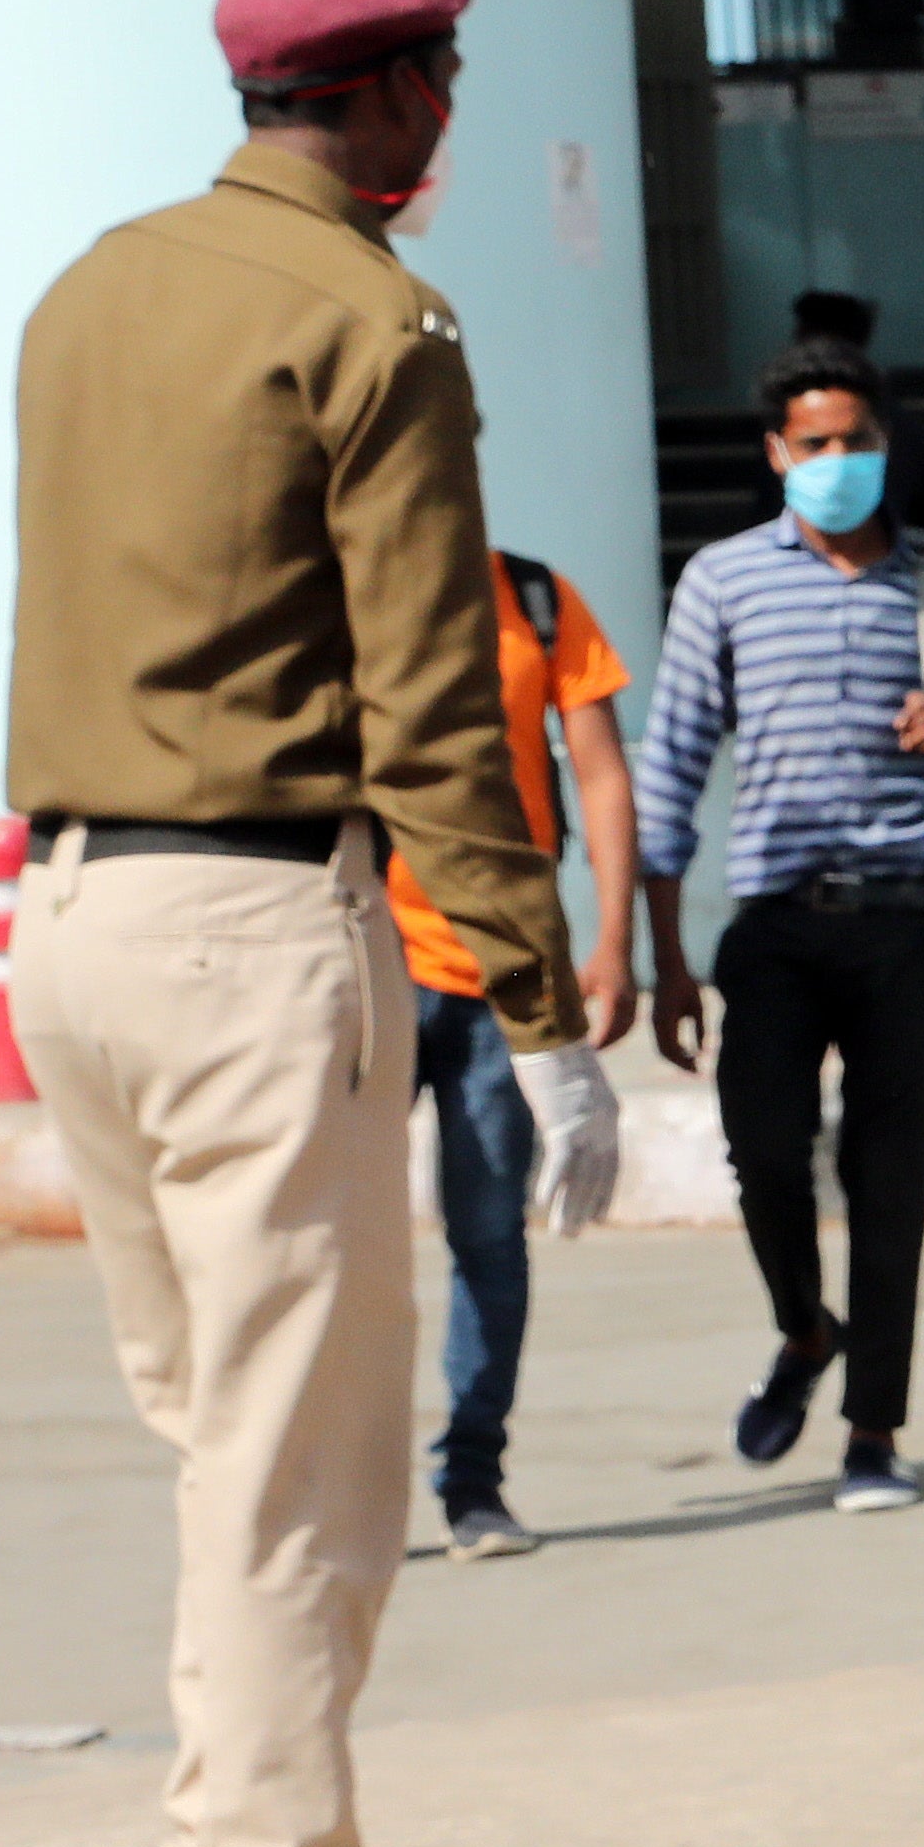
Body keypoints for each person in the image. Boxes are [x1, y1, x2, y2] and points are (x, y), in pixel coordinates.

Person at [12, 0, 584, 1847]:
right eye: (440, 80)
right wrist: (534, 989)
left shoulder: (97, 283)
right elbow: (435, 697)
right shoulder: (374, 316)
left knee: (217, 1440)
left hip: (74, 914)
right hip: (257, 930)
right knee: (301, 1458)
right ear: (399, 95)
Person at [636, 335, 924, 1513]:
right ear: (776, 453)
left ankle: (875, 1426)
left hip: (906, 917)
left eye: (854, 441)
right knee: (763, 1150)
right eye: (812, 443)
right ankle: (806, 1329)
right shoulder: (721, 579)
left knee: (890, 1176)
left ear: (884, 446)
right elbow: (669, 764)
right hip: (771, 917)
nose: (834, 461)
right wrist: (665, 957)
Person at [389, 539, 643, 1559]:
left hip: (505, 978)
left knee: (490, 1231)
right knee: (332, 1249)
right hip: (361, 965)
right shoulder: (338, 598)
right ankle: (333, 1490)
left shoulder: (535, 599)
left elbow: (600, 774)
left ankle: (474, 1482)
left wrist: (614, 941)